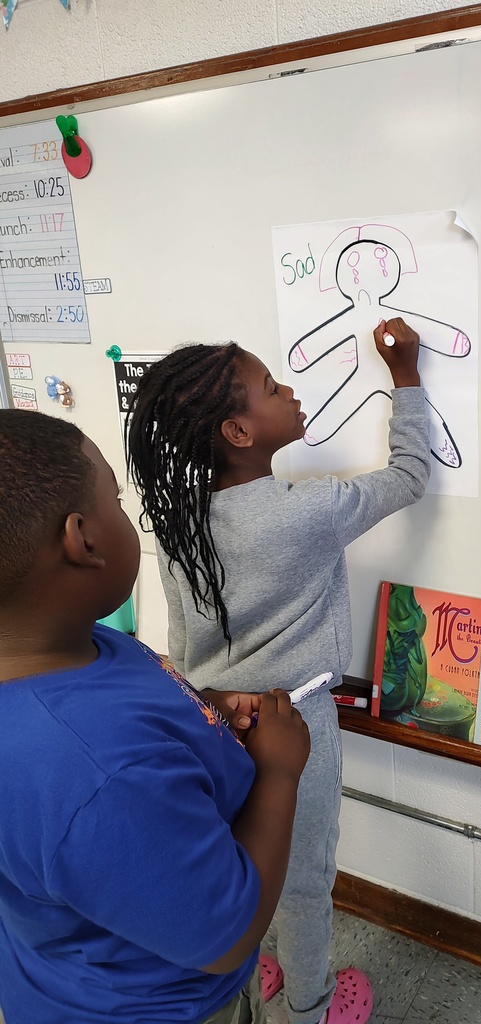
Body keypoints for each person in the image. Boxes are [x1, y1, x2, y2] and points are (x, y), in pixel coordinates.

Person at [125, 316, 430, 1024]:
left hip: (209, 721)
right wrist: (407, 375)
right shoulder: (308, 511)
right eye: (270, 386)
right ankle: (311, 1008)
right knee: (303, 882)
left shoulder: (181, 521)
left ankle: (251, 975)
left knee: (239, 856)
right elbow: (411, 476)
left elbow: (183, 631)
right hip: (294, 727)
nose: (290, 391)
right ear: (239, 432)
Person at [0, 409, 310, 1024]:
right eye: (115, 499)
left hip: (62, 971)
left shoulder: (80, 644)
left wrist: (203, 714)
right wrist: (278, 772)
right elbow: (229, 936)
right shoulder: (97, 774)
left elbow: (132, 708)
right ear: (82, 539)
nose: (129, 516)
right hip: (159, 1005)